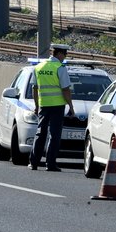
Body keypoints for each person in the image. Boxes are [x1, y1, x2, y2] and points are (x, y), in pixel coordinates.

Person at [29, 43, 75, 172]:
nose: (65, 57)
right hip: (57, 106)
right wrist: (71, 107)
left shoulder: (39, 67)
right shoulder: (60, 68)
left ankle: (33, 162)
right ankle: (50, 163)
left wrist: (37, 106)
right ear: (59, 53)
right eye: (65, 54)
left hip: (44, 104)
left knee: (40, 133)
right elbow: (66, 89)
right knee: (54, 135)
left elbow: (34, 88)